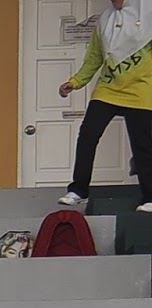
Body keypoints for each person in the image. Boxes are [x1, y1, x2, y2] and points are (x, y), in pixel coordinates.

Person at [59, 0, 152, 211]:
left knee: (143, 145)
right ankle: (78, 191)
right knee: (88, 135)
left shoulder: (148, 10)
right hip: (108, 88)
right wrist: (74, 82)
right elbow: (94, 58)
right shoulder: (105, 20)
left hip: (141, 89)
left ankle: (150, 197)